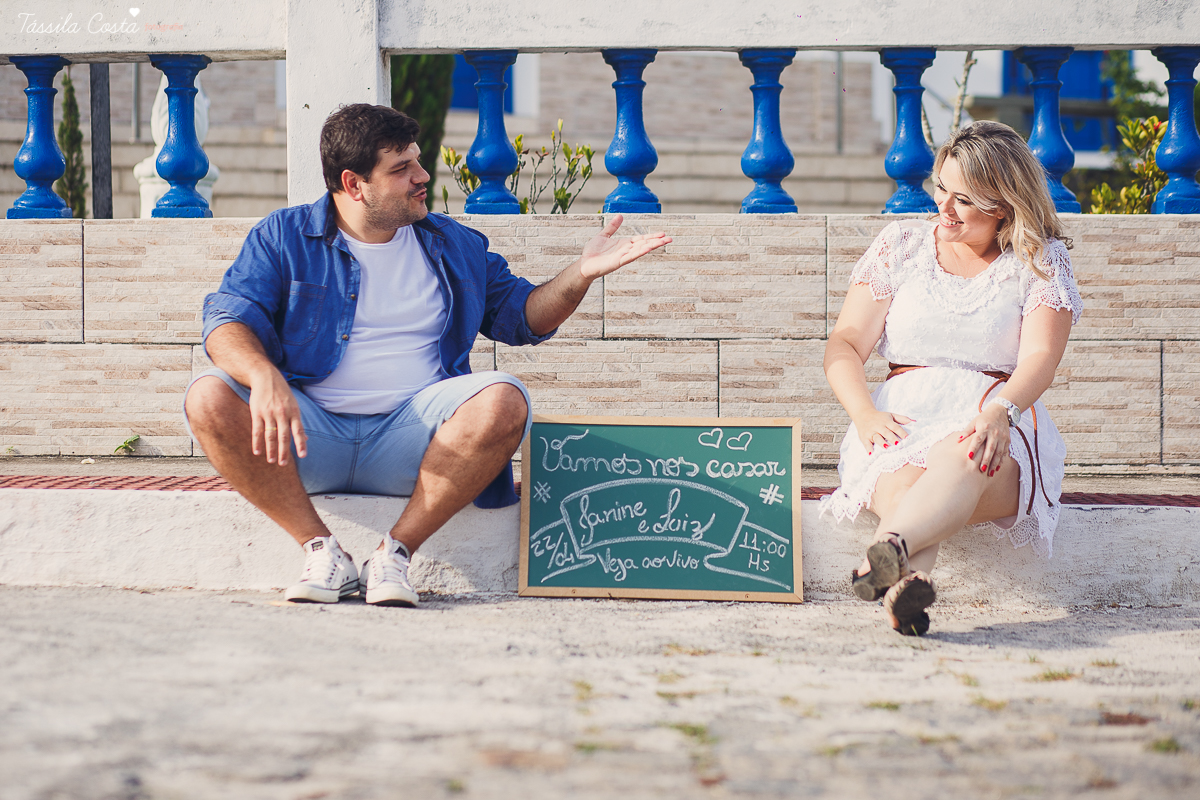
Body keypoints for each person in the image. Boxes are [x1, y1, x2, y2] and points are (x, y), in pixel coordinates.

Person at [184, 104, 670, 607]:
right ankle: (322, 550)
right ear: (353, 184)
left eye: (417, 161)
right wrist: (261, 374)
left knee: (505, 398)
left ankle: (393, 555)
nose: (421, 177)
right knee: (207, 395)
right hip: (307, 437)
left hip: (414, 444)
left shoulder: (452, 243)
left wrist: (581, 274)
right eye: (401, 169)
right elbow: (227, 320)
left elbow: (523, 318)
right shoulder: (284, 237)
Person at [819, 121, 1083, 636]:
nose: (943, 206)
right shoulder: (901, 246)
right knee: (903, 484)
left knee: (961, 456)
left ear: (1003, 205)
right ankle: (903, 589)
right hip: (898, 421)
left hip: (993, 420)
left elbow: (1041, 358)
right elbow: (845, 344)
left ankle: (892, 549)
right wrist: (865, 414)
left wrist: (1000, 411)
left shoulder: (1040, 260)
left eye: (964, 199)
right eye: (941, 187)